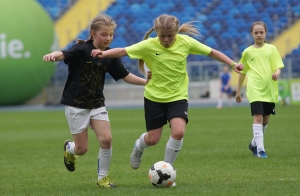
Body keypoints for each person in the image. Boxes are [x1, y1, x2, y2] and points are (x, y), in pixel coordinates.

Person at [91, 14, 244, 185]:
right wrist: (103, 54)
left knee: (178, 132)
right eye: (162, 35)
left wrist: (233, 64)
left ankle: (167, 170)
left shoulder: (186, 42)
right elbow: (123, 51)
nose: (165, 39)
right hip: (154, 98)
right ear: (156, 32)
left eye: (170, 35)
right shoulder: (149, 45)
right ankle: (139, 146)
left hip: (178, 97)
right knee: (153, 139)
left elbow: (212, 52)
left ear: (177, 32)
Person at [42, 14, 149, 188]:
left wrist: (145, 83)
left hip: (97, 103)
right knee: (82, 149)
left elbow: (125, 75)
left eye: (111, 35)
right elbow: (63, 54)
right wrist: (53, 55)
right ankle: (70, 149)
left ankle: (102, 179)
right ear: (93, 33)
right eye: (104, 34)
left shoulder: (110, 55)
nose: (108, 38)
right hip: (76, 104)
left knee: (106, 139)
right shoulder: (81, 50)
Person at [235, 21, 284, 158]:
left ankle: (253, 144)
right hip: (255, 89)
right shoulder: (247, 52)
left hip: (269, 89)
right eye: (256, 32)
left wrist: (276, 74)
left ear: (265, 33)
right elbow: (242, 72)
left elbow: (278, 67)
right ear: (252, 34)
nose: (259, 34)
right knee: (258, 118)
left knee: (265, 120)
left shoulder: (272, 49)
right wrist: (238, 91)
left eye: (261, 32)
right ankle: (261, 150)